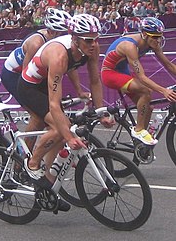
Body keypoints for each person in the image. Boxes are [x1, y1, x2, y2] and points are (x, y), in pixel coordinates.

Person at [17, 14, 114, 212]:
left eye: (96, 39)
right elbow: (54, 104)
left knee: (64, 131)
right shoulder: (59, 56)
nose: (94, 44)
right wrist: (69, 136)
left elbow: (95, 81)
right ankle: (33, 162)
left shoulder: (91, 49)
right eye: (89, 40)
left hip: (47, 84)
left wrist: (101, 111)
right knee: (61, 128)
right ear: (75, 38)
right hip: (30, 87)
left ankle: (48, 184)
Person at [1, 8, 78, 151]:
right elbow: (25, 77)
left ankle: (55, 153)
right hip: (13, 75)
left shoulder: (61, 45)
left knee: (55, 115)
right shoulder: (37, 43)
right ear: (51, 32)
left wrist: (80, 92)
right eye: (61, 34)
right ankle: (24, 155)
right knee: (38, 117)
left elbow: (70, 67)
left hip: (33, 75)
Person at [101, 17, 176, 145]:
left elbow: (168, 65)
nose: (158, 40)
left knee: (148, 107)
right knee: (145, 91)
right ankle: (139, 130)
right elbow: (141, 77)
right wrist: (164, 91)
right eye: (155, 37)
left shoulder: (153, 42)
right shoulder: (129, 46)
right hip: (110, 73)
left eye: (160, 37)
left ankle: (139, 145)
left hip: (122, 71)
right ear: (145, 34)